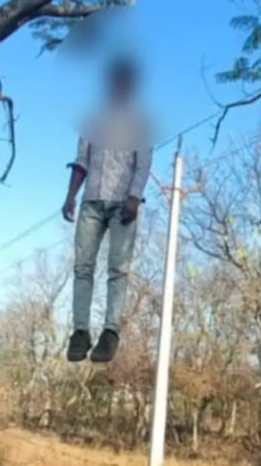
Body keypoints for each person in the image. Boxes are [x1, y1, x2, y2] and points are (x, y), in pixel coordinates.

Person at [62, 55, 152, 363]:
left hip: (122, 204)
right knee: (82, 266)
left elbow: (143, 165)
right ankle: (80, 331)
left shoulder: (141, 123)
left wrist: (134, 197)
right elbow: (81, 160)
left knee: (118, 268)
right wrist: (70, 195)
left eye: (124, 83)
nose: (119, 87)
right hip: (91, 202)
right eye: (115, 81)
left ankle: (111, 331)